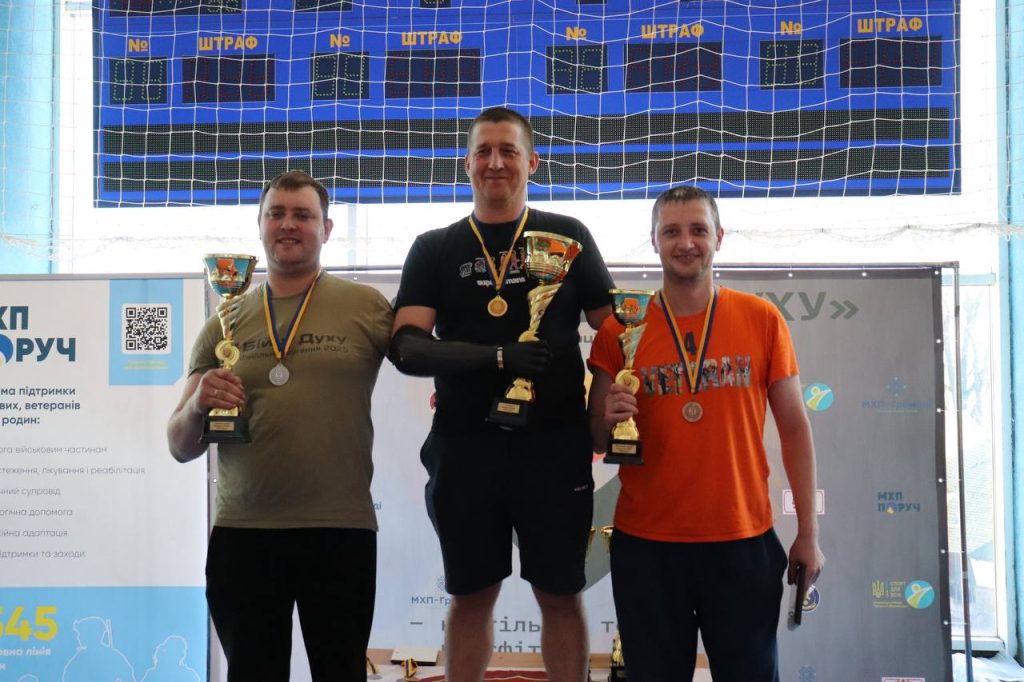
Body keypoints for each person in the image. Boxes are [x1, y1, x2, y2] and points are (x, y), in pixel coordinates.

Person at [388, 106, 614, 682]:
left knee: (560, 595)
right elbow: (407, 348)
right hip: (465, 447)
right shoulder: (434, 247)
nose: (495, 162)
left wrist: (606, 411)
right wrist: (496, 357)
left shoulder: (568, 235)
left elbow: (616, 332)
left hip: (555, 447)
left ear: (532, 162)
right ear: (465, 164)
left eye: (508, 151)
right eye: (483, 151)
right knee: (471, 596)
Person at [587, 185, 826, 682]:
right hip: (647, 546)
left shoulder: (761, 319)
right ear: (654, 240)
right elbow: (597, 439)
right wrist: (609, 416)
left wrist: (808, 534)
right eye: (671, 231)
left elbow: (795, 431)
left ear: (719, 237)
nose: (686, 242)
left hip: (742, 541)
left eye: (698, 230)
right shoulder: (619, 330)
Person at [167, 170, 393, 682]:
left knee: (341, 674)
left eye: (303, 215)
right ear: (260, 225)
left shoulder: (367, 308)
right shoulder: (224, 320)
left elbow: (423, 359)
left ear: (327, 229)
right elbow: (179, 445)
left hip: (340, 530)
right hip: (244, 534)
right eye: (277, 214)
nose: (288, 224)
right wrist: (199, 404)